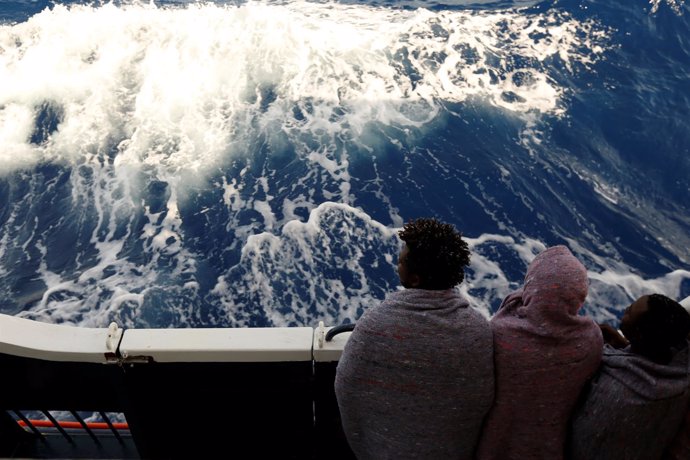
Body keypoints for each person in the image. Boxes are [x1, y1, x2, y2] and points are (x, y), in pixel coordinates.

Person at [334, 218, 494, 460]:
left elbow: (347, 392)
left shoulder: (375, 323)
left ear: (415, 279)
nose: (397, 266)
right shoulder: (477, 329)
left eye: (401, 261)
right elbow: (480, 402)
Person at [476, 245, 603, 460]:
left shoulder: (501, 331)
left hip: (493, 444)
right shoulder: (591, 339)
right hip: (549, 447)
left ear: (533, 286)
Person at [568, 294, 690, 460]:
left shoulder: (610, 380)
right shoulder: (683, 373)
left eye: (629, 312)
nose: (625, 309)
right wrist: (627, 346)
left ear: (638, 335)